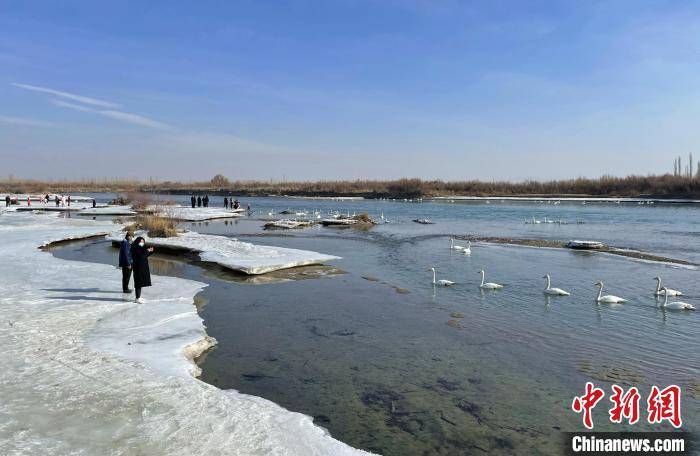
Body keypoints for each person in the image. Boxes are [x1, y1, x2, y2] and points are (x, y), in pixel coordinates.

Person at [131, 236, 154, 303]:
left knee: (141, 283)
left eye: (143, 242)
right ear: (138, 242)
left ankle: (139, 297)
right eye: (141, 242)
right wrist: (147, 251)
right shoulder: (135, 248)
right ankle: (137, 298)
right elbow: (141, 256)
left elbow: (145, 255)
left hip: (142, 267)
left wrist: (150, 251)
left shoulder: (141, 248)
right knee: (138, 282)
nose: (142, 243)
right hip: (138, 267)